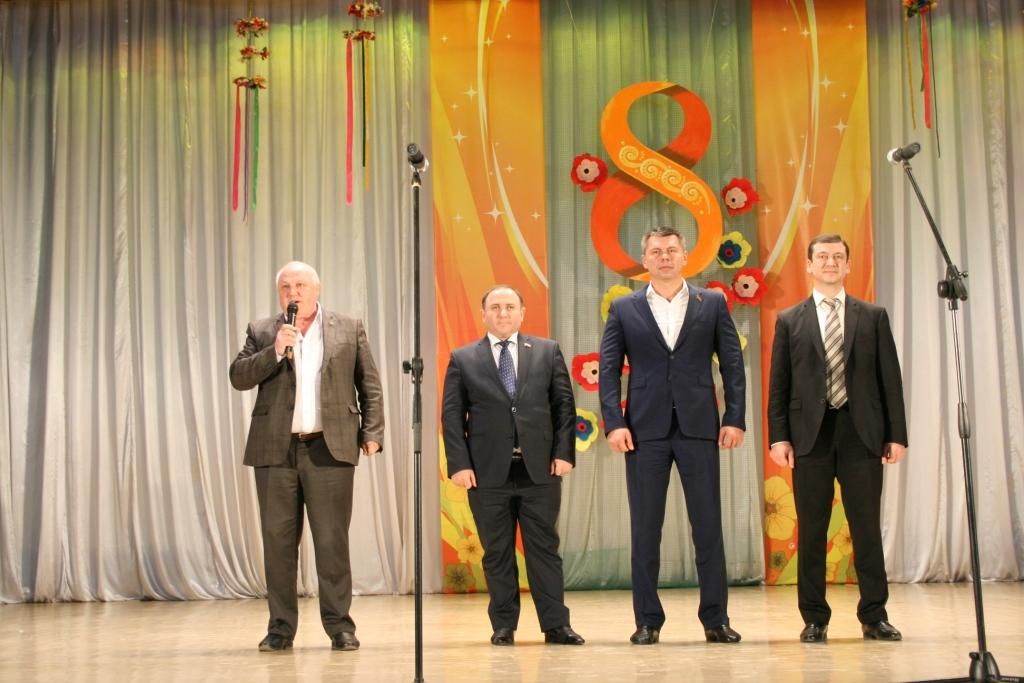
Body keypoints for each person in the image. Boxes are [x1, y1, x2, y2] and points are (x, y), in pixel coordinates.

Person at [599, 227, 746, 645]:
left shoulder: (712, 302)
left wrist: (734, 418)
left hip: (699, 427)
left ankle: (715, 619)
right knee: (645, 529)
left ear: (685, 256)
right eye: (656, 251)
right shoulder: (624, 308)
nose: (664, 256)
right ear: (645, 260)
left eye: (671, 250)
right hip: (644, 431)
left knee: (708, 527)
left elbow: (732, 365)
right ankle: (647, 620)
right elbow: (608, 370)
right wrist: (614, 422)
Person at [229, 261, 385, 652]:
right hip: (275, 450)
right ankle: (280, 629)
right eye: (285, 287)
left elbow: (369, 383)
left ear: (317, 289)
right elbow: (239, 376)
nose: (292, 292)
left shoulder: (348, 327)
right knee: (278, 544)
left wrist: (372, 433)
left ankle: (340, 627)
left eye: (300, 285)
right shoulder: (263, 331)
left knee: (332, 543)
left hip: (329, 448)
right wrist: (274, 350)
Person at [767, 233, 907, 643]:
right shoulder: (790, 320)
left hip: (862, 432)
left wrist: (896, 434)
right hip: (809, 435)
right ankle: (814, 617)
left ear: (848, 265)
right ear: (809, 265)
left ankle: (874, 615)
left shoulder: (873, 316)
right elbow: (779, 385)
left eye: (838, 257)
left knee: (866, 527)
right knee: (812, 529)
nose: (830, 262)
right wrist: (779, 437)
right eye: (823, 257)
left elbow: (890, 381)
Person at [441, 285, 584, 647]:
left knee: (544, 550)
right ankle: (503, 625)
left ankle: (556, 625)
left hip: (541, 470)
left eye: (509, 306)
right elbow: (452, 416)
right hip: (486, 473)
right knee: (497, 552)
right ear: (483, 314)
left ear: (522, 312)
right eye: (495, 307)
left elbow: (564, 407)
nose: (502, 313)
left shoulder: (547, 351)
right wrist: (459, 464)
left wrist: (564, 453)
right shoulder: (463, 358)